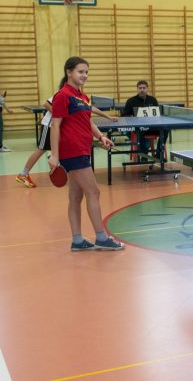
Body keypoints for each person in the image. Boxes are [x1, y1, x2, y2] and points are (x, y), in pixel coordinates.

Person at [48, 56, 124, 251]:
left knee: (76, 196)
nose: (84, 75)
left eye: (86, 72)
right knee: (93, 191)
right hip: (72, 151)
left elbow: (87, 121)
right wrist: (54, 155)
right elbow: (55, 126)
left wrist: (100, 136)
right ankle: (101, 237)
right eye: (80, 71)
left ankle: (77, 240)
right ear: (69, 72)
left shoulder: (82, 97)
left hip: (82, 148)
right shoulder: (63, 95)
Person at [16, 97, 117, 188]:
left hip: (61, 127)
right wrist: (59, 114)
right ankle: (23, 174)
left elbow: (91, 108)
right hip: (49, 125)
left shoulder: (80, 97)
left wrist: (108, 117)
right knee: (41, 149)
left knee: (62, 147)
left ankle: (62, 168)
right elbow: (46, 104)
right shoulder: (62, 95)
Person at [122, 80, 163, 160]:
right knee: (140, 130)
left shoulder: (152, 100)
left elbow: (158, 114)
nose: (142, 90)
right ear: (137, 89)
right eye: (140, 88)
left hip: (152, 127)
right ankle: (144, 154)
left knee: (165, 130)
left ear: (147, 89)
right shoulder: (131, 101)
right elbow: (124, 116)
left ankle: (158, 153)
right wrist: (133, 118)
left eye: (144, 88)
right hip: (138, 128)